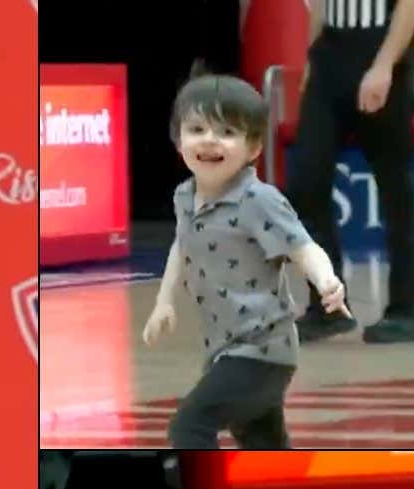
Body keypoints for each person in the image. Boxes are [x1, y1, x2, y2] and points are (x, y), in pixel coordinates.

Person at [144, 69, 352, 449]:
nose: (210, 140)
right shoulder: (183, 197)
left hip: (263, 350)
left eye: (227, 132)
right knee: (264, 445)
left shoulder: (258, 199)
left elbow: (302, 245)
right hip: (224, 349)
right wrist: (164, 302)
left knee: (189, 428)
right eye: (197, 129)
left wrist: (326, 280)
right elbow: (182, 243)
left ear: (254, 148)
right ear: (178, 139)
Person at [290, 0, 414, 344]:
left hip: (382, 49)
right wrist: (313, 58)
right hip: (330, 55)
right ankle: (328, 306)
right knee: (306, 181)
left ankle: (404, 309)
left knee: (395, 186)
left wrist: (384, 65)